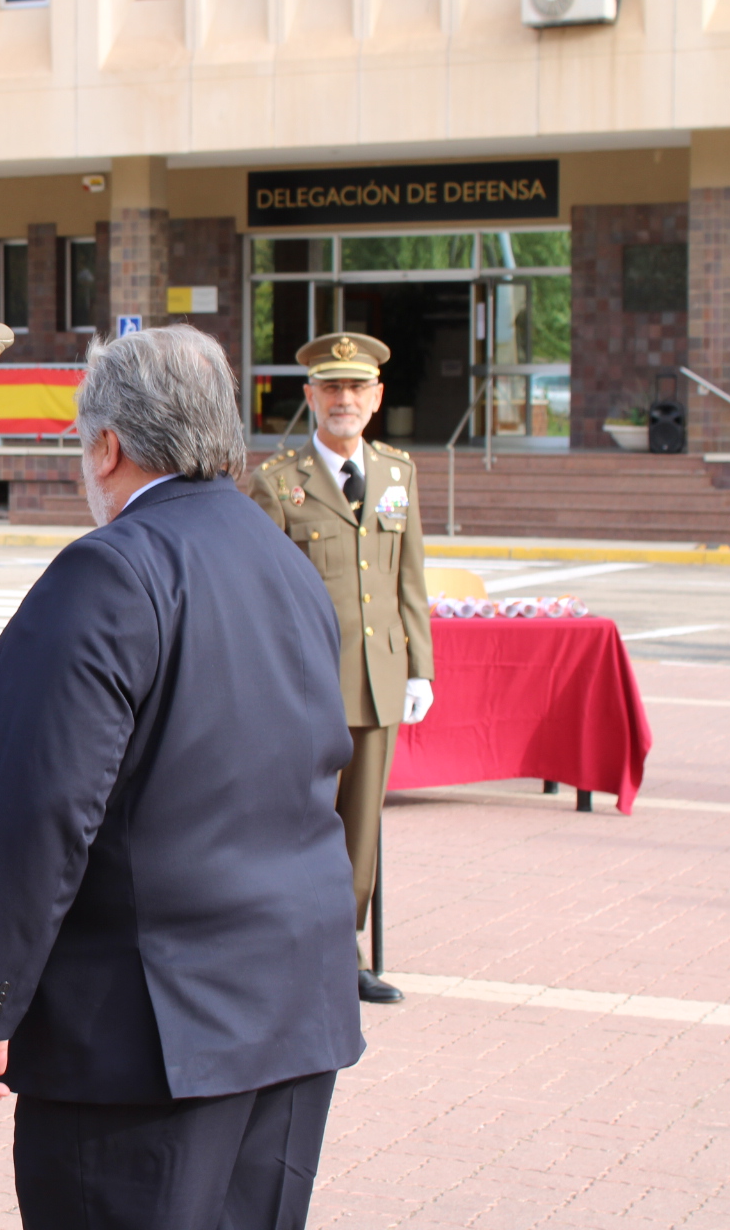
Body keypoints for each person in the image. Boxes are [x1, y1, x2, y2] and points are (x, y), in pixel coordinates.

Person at [0, 324, 363, 1230]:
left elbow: (51, 811)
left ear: (107, 446)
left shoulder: (111, 570)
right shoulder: (286, 563)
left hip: (146, 1027)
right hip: (291, 1001)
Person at [247, 331, 435, 1005]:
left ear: (377, 398)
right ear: (310, 396)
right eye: (331, 388)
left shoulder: (397, 475)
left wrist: (420, 668)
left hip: (379, 680)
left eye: (357, 388)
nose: (344, 400)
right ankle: (295, 947)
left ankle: (341, 952)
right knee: (302, 823)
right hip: (308, 688)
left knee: (361, 830)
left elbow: (409, 577)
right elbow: (262, 595)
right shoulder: (278, 482)